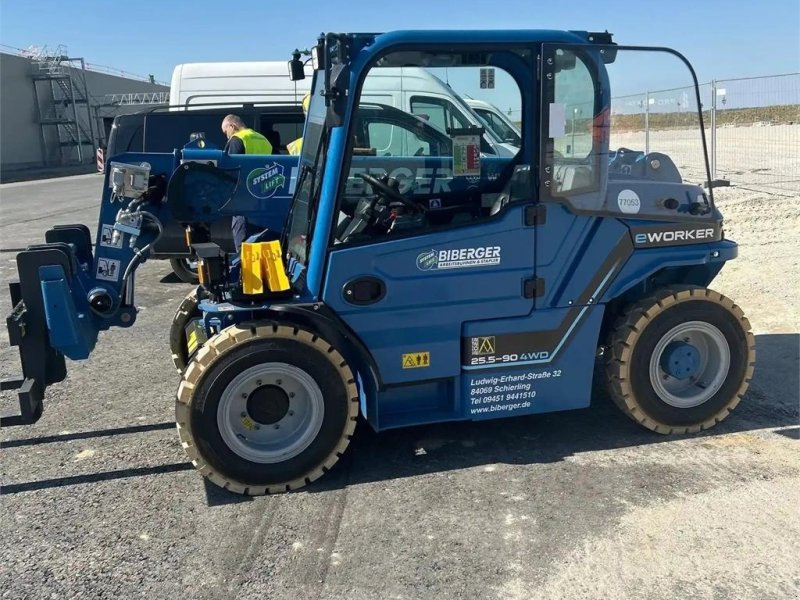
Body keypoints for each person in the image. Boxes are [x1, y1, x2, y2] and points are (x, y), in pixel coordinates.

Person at [221, 114, 273, 251]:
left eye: (226, 131)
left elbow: (231, 170)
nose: (226, 136)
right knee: (262, 244)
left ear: (232, 126)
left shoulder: (237, 139)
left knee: (243, 246)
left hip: (243, 200)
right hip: (263, 200)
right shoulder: (264, 140)